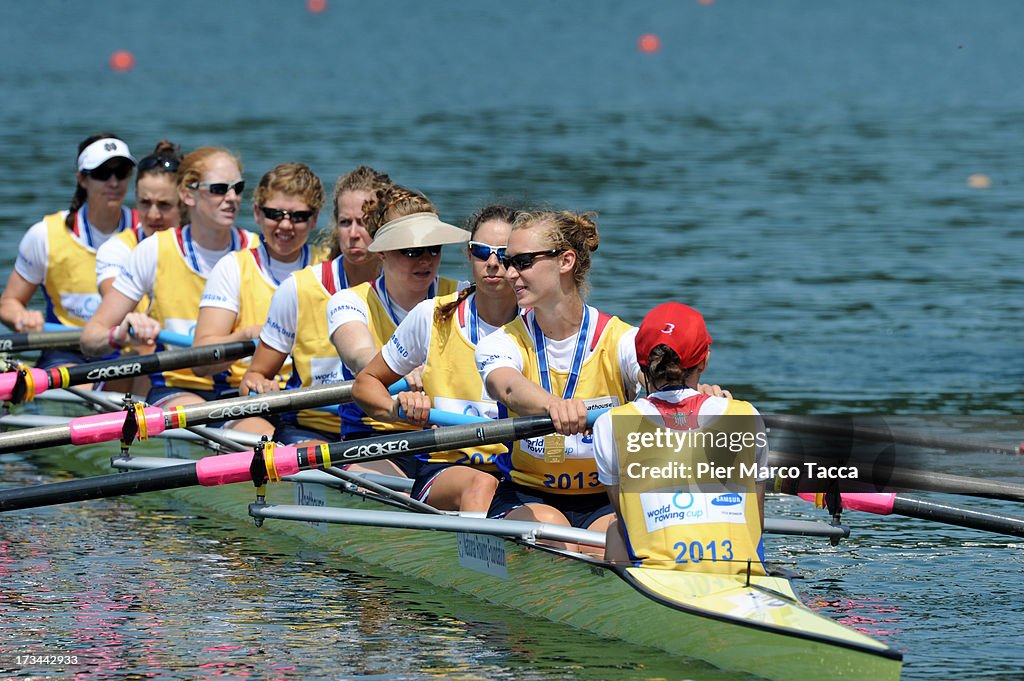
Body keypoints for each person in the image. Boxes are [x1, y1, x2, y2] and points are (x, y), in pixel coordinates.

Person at [475, 210, 640, 543]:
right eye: (509, 262)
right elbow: (507, 386)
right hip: (527, 497)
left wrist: (692, 395)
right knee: (556, 532)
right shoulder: (502, 342)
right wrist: (553, 405)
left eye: (522, 262)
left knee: (611, 541)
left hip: (604, 498)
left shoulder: (622, 340)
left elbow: (658, 380)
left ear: (566, 261)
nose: (509, 273)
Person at [352, 205, 521, 512]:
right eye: (482, 252)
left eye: (504, 254)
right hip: (447, 468)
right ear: (469, 255)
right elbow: (366, 383)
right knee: (480, 485)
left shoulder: (541, 324)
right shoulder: (431, 316)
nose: (493, 263)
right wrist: (396, 409)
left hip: (523, 475)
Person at [592, 303, 768, 573]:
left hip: (660, 580)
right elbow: (755, 520)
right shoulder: (745, 413)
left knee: (616, 529)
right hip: (739, 575)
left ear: (643, 364)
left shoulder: (609, 424)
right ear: (705, 360)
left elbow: (627, 516)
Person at [81, 147, 255, 408]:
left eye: (237, 188)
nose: (232, 198)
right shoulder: (154, 250)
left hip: (244, 391)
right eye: (219, 188)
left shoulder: (255, 249)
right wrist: (120, 336)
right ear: (187, 194)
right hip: (177, 390)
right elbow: (91, 338)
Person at [239, 166, 391, 444]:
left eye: (365, 222)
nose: (354, 234)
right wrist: (260, 384)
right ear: (335, 224)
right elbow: (255, 375)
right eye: (346, 223)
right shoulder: (299, 289)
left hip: (383, 430)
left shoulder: (410, 287)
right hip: (311, 429)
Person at [327, 185, 469, 474]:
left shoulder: (464, 297)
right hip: (375, 440)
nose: (426, 260)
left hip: (449, 439)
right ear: (382, 253)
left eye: (434, 248)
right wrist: (402, 370)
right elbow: (360, 356)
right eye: (412, 251)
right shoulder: (350, 301)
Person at [189, 162, 324, 436]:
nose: (285, 225)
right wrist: (249, 336)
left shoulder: (328, 266)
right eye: (275, 214)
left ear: (314, 219)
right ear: (257, 214)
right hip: (242, 400)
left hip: (313, 405)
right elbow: (201, 361)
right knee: (268, 442)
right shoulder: (234, 267)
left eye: (298, 216)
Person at [1, 133, 137, 368]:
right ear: (82, 179)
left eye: (121, 172)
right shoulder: (44, 235)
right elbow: (8, 303)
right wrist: (21, 317)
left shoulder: (146, 232)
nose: (114, 182)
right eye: (103, 173)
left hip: (129, 349)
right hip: (68, 352)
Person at [96, 140, 185, 296]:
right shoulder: (117, 249)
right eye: (145, 203)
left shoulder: (210, 246)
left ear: (186, 202)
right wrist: (129, 316)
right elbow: (112, 299)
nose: (153, 215)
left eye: (164, 205)